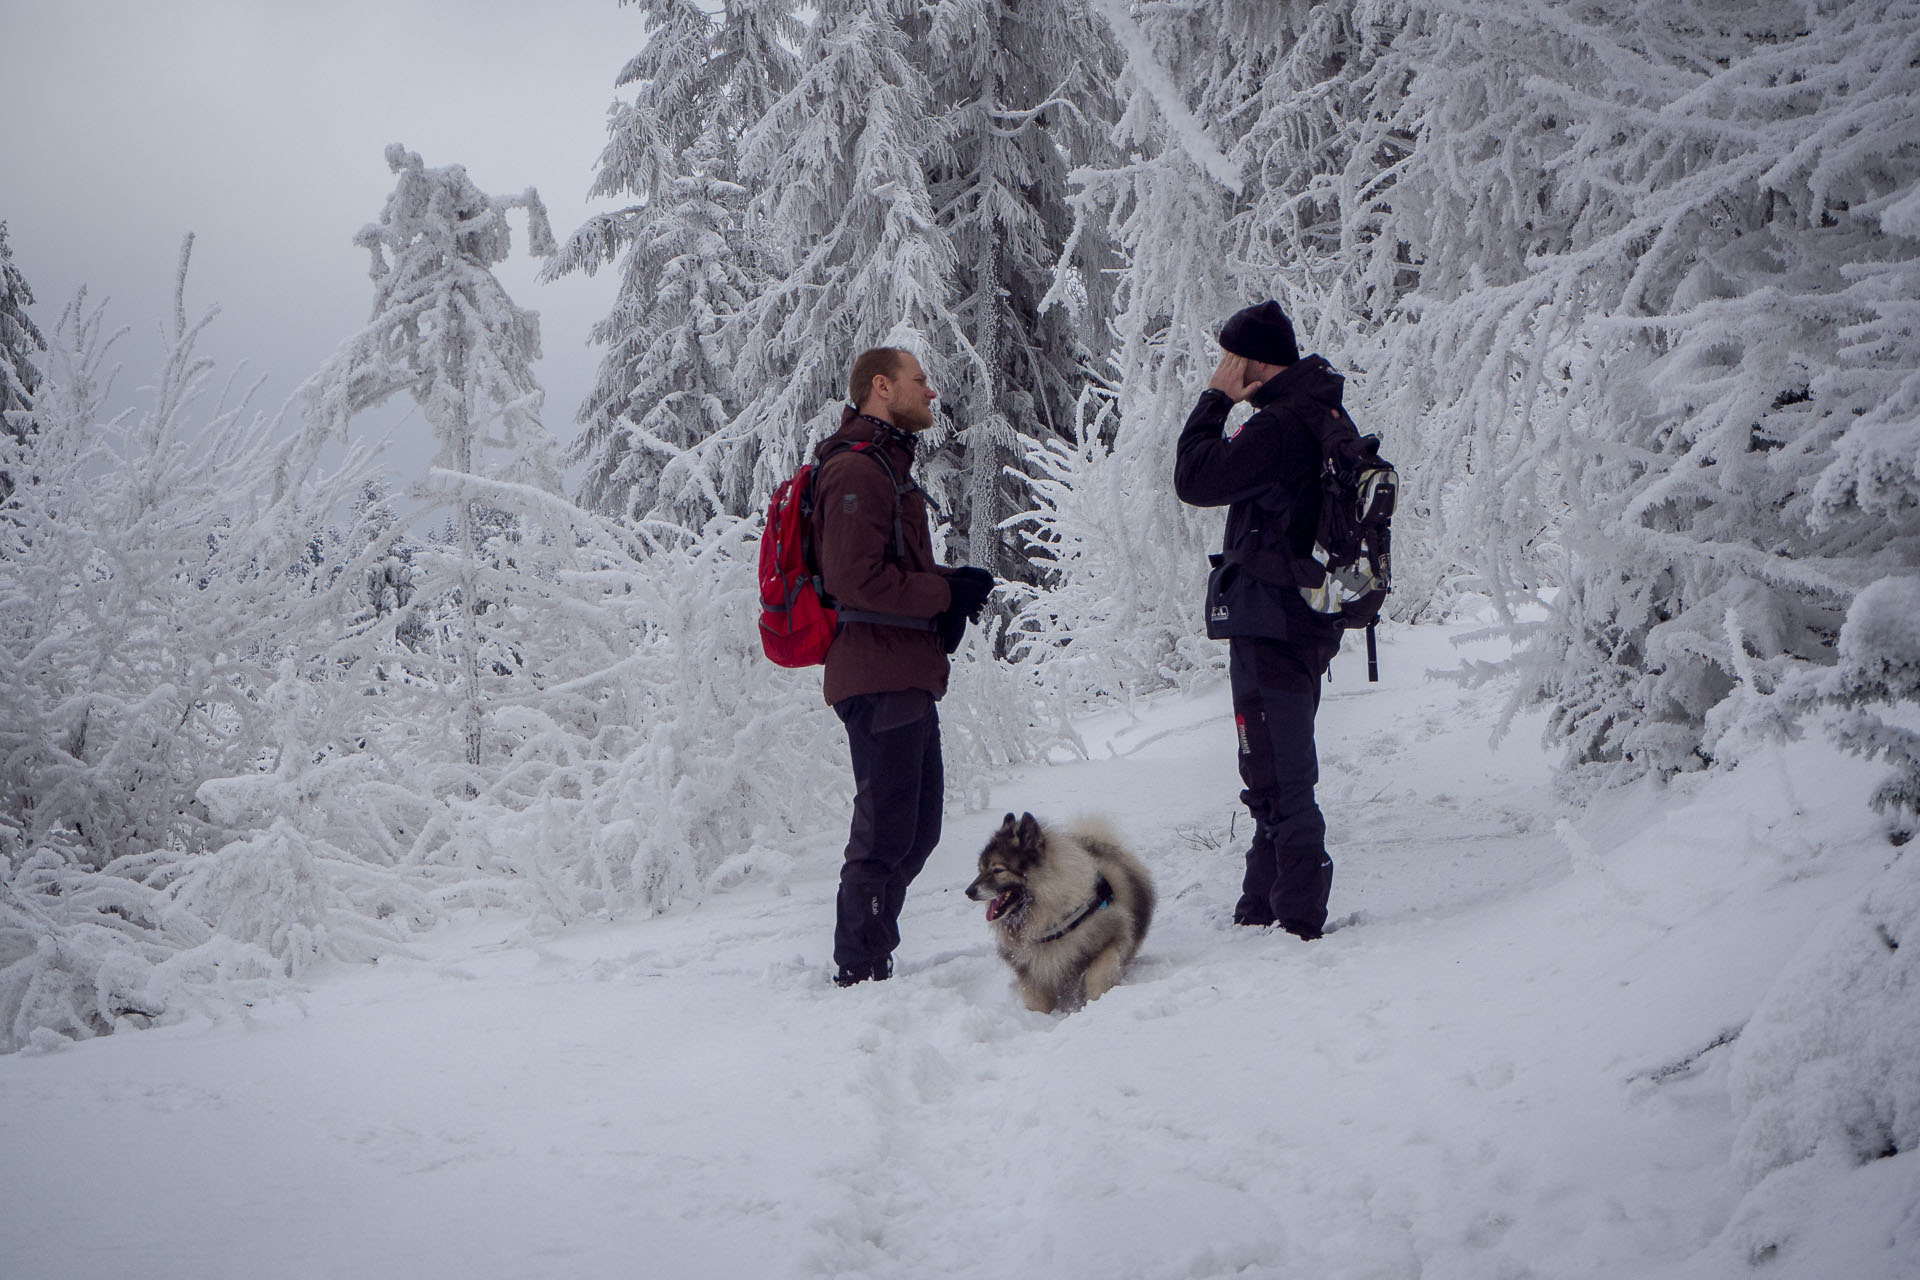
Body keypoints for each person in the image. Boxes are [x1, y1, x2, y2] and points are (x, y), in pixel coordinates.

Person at [813, 347, 994, 986]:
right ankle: (859, 968)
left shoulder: (886, 467)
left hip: (901, 672)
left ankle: (871, 956)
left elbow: (889, 573)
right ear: (882, 388)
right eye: (921, 381)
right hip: (877, 673)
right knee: (887, 831)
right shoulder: (858, 473)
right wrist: (944, 594)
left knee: (916, 832)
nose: (932, 393)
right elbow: (853, 578)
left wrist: (953, 583)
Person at [1173, 300, 1348, 940]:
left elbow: (1194, 476)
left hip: (1273, 619)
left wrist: (1215, 399)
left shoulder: (1277, 428)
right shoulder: (1319, 412)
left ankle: (1298, 912)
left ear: (1250, 361)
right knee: (1273, 764)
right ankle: (1264, 901)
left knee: (1281, 771)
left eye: (1229, 358)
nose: (1222, 367)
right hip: (1303, 617)